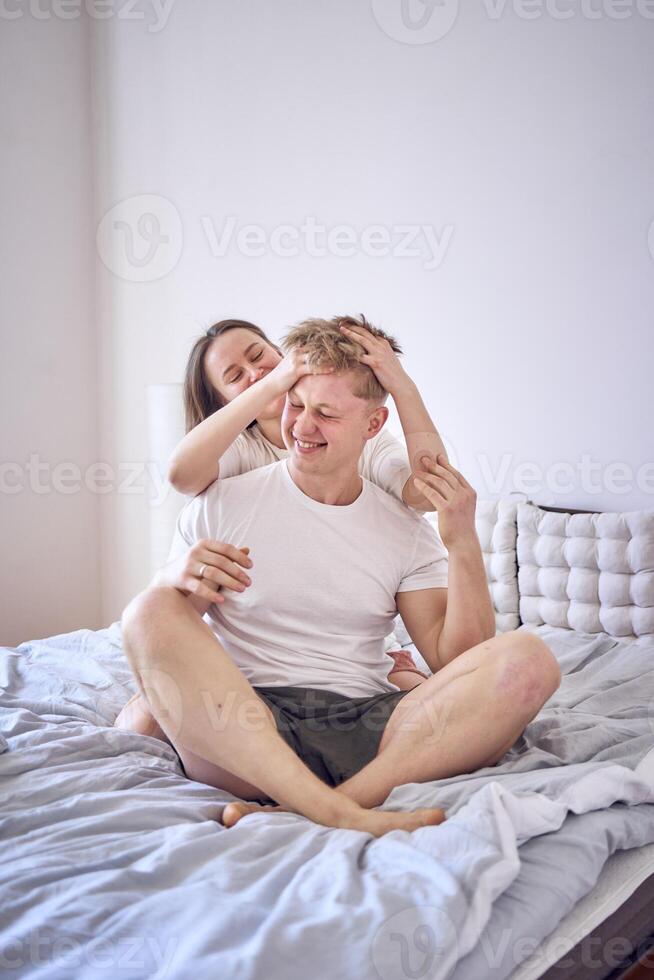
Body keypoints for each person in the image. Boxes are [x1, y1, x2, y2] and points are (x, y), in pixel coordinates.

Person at [120, 315, 562, 838]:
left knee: (528, 658)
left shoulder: (402, 520)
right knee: (147, 608)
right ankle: (340, 813)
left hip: (367, 725)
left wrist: (461, 542)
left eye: (326, 413)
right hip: (247, 731)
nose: (303, 428)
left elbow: (455, 660)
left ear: (372, 426)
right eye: (296, 405)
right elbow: (167, 634)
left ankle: (323, 805)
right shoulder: (223, 497)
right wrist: (177, 581)